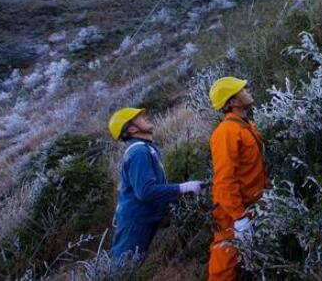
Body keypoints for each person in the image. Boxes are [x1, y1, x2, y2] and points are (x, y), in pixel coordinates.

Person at [107, 107, 203, 267]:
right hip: (135, 223)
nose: (146, 117)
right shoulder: (139, 152)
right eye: (139, 117)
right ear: (131, 128)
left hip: (141, 219)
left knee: (129, 268)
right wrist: (183, 188)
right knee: (122, 270)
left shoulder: (145, 148)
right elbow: (145, 191)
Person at [208, 77, 268, 281]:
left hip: (251, 205)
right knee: (224, 264)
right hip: (232, 212)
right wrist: (239, 217)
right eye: (242, 89)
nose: (247, 90)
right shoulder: (225, 132)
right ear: (232, 101)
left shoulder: (246, 125)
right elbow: (224, 179)